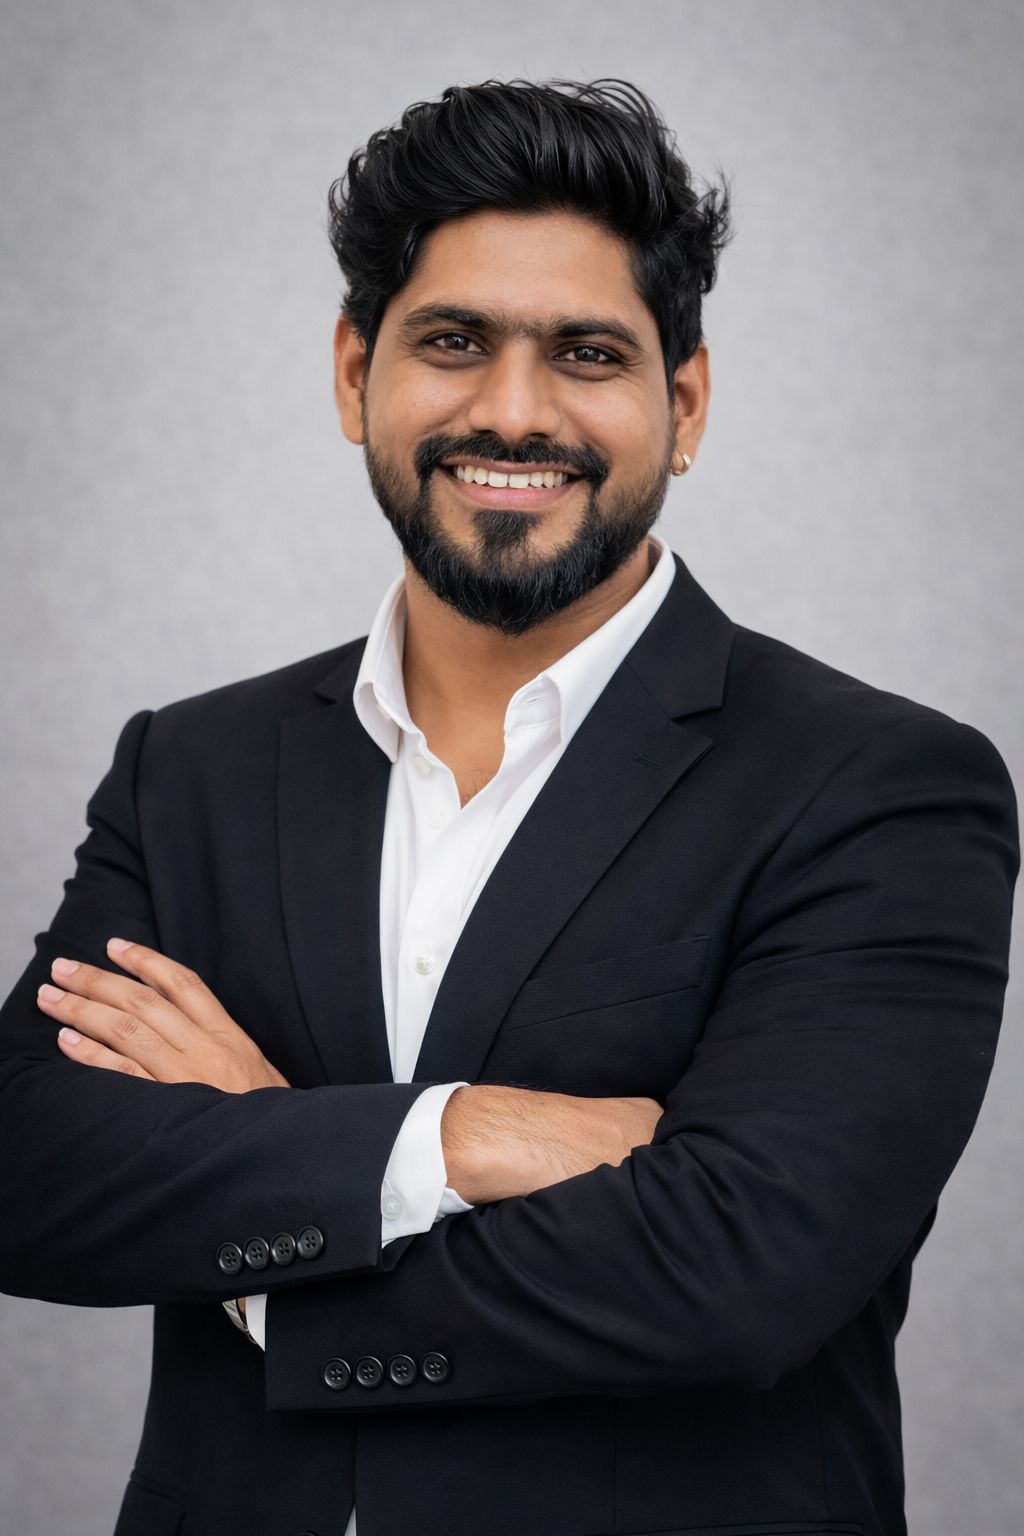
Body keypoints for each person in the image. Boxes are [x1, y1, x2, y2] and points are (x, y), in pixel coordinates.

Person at [0, 76, 1018, 1536]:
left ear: (684, 403)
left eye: (587, 353)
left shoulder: (881, 788)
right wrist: (456, 1137)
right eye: (453, 342)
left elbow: (738, 1277)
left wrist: (273, 1186)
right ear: (355, 374)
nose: (514, 411)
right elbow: (29, 1170)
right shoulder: (193, 769)